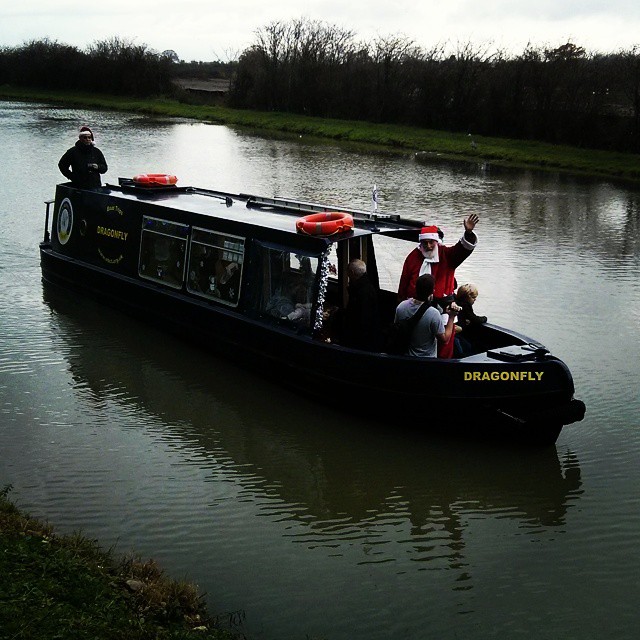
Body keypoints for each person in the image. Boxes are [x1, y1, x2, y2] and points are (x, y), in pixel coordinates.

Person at [397, 213, 479, 358]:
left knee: (444, 345)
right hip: (415, 310)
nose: (428, 246)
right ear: (420, 243)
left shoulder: (446, 255)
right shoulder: (413, 257)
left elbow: (462, 250)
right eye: (425, 243)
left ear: (436, 241)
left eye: (431, 242)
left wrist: (468, 232)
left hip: (442, 311)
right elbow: (403, 284)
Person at [394, 274, 456, 358]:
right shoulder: (433, 314)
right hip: (426, 360)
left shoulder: (401, 307)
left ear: (415, 288)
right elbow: (444, 339)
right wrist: (451, 317)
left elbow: (397, 327)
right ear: (433, 291)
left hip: (405, 356)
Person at [342, 258, 383, 350]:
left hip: (361, 341)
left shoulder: (362, 292)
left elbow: (363, 319)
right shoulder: (367, 287)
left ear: (352, 272)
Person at [453, 283, 487, 357]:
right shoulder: (466, 306)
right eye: (473, 297)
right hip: (457, 332)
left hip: (458, 329)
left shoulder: (455, 301)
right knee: (465, 349)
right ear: (467, 297)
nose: (475, 299)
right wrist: (484, 318)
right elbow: (474, 318)